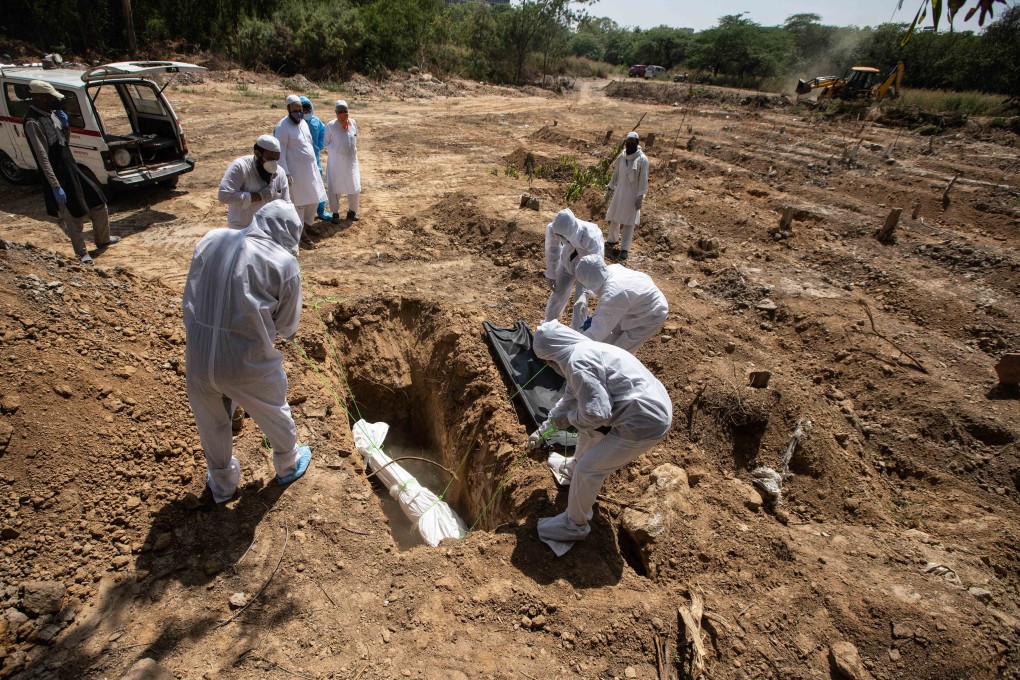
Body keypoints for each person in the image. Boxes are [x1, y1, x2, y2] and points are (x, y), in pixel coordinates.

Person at [183, 200, 312, 505]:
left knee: (211, 423)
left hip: (199, 359)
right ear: (290, 232)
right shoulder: (283, 262)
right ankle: (288, 465)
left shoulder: (212, 239)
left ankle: (222, 486)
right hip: (247, 361)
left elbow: (189, 296)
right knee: (273, 409)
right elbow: (287, 327)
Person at [527, 321, 672, 555]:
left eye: (546, 361)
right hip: (649, 406)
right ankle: (571, 470)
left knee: (590, 469)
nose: (548, 365)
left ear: (553, 355)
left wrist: (570, 420)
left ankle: (574, 525)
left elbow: (596, 413)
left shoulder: (578, 363)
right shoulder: (583, 353)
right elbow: (570, 400)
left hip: (644, 423)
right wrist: (544, 429)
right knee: (587, 434)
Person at [22, 79, 119, 264]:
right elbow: (43, 157)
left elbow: (64, 142)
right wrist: (55, 185)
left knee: (98, 202)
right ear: (41, 98)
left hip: (71, 167)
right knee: (73, 214)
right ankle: (82, 254)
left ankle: (103, 239)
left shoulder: (52, 115)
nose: (54, 102)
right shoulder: (32, 122)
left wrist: (66, 126)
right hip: (58, 174)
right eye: (51, 98)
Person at [572, 254, 669, 351]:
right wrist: (585, 293)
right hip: (634, 303)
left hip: (650, 314)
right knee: (610, 336)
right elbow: (597, 280)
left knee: (619, 351)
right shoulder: (611, 270)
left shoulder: (614, 294)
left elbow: (599, 329)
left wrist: (577, 345)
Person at [274, 94, 327, 234]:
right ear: (288, 110)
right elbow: (281, 152)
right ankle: (300, 232)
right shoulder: (282, 127)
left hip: (311, 169)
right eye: (295, 110)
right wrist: (285, 172)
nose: (299, 113)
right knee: (300, 203)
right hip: (295, 172)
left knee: (314, 198)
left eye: (300, 110)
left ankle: (309, 225)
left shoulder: (303, 123)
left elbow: (309, 143)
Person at [543, 208, 604, 325]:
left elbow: (596, 265)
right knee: (558, 292)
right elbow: (552, 250)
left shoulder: (591, 237)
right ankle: (548, 324)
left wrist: (587, 292)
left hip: (587, 268)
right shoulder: (555, 228)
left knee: (580, 303)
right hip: (567, 260)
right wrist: (552, 274)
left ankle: (578, 331)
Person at [217, 135, 291, 230]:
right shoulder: (240, 167)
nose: (274, 164)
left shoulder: (280, 172)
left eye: (276, 160)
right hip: (242, 228)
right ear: (257, 154)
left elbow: (286, 203)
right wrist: (257, 196)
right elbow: (224, 196)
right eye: (270, 159)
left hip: (268, 229)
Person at [603, 131, 649, 262]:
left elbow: (643, 180)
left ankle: (624, 249)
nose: (630, 144)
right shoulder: (621, 157)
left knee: (629, 224)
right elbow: (615, 175)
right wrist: (610, 188)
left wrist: (640, 196)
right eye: (628, 142)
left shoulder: (642, 160)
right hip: (619, 193)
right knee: (614, 218)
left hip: (632, 196)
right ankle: (612, 240)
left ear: (637, 143)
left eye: (632, 142)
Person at [323, 100, 362, 224]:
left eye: (345, 111)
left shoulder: (353, 123)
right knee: (335, 188)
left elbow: (355, 138)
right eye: (340, 112)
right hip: (336, 163)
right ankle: (335, 213)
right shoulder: (330, 125)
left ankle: (352, 212)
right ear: (336, 112)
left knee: (354, 186)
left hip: (351, 163)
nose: (343, 114)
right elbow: (326, 142)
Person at [299, 96, 331, 222]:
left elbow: (324, 132)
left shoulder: (316, 121)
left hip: (315, 158)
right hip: (300, 161)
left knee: (318, 184)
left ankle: (321, 209)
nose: (306, 112)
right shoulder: (295, 123)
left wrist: (318, 145)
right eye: (303, 110)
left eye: (308, 109)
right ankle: (304, 212)